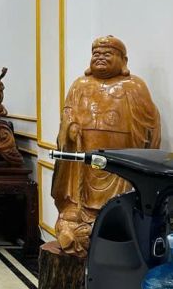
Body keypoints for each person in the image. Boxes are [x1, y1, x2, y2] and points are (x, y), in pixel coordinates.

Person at [51, 35, 161, 258]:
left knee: (119, 202)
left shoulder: (134, 86)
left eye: (107, 54)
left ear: (123, 60)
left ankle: (106, 225)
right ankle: (77, 221)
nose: (100, 57)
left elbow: (150, 124)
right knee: (75, 205)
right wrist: (70, 126)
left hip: (119, 163)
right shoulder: (80, 85)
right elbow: (68, 112)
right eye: (96, 54)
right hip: (84, 162)